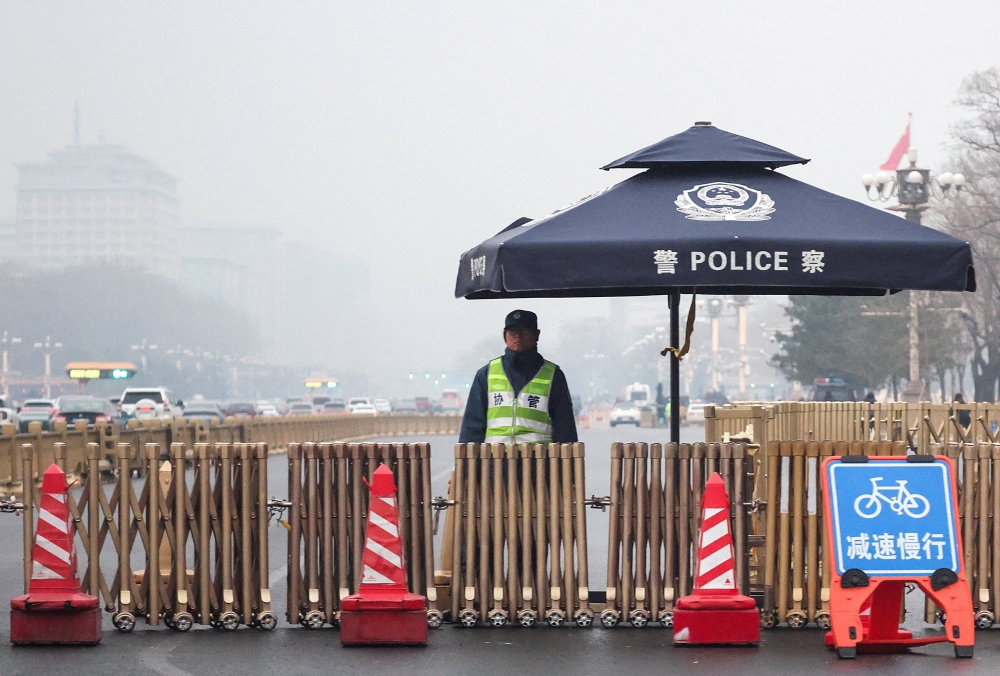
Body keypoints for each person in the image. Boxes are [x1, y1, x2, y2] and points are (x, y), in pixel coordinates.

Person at [459, 310, 578, 444]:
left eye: (525, 330)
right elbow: (472, 425)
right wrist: (469, 462)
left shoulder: (553, 375)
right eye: (512, 332)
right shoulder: (486, 374)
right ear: (505, 336)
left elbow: (564, 426)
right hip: (496, 460)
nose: (518, 336)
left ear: (537, 335)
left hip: (539, 460)